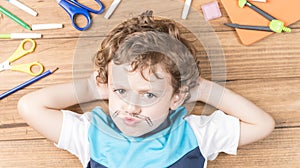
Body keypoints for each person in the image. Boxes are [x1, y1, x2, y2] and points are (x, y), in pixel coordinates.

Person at [18, 11, 275, 168]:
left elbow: (262, 124)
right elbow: (29, 106)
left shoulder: (194, 135)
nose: (131, 107)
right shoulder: (92, 134)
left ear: (176, 97)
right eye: (121, 91)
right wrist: (90, 88)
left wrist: (204, 91)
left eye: (149, 95)